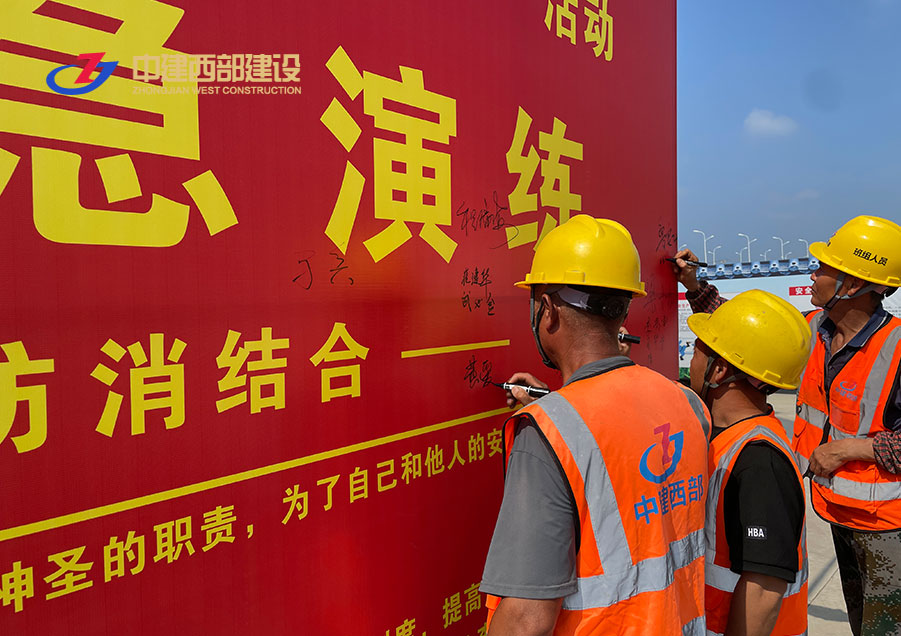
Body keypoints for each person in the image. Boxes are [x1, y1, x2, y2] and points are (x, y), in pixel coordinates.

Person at [480, 215, 711, 635]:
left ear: (548, 310)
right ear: (622, 307)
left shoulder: (546, 435)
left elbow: (526, 619)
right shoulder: (687, 403)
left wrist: (554, 416)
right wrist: (557, 405)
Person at [674, 215, 901, 636]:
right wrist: (694, 286)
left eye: (824, 268)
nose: (813, 274)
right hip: (836, 511)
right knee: (861, 623)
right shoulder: (816, 331)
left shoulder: (897, 347)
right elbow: (747, 339)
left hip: (888, 526)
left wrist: (852, 449)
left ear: (854, 285)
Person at [687, 290, 810, 636]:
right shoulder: (727, 436)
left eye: (697, 351)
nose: (691, 362)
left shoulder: (759, 461)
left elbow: (764, 588)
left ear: (719, 369)